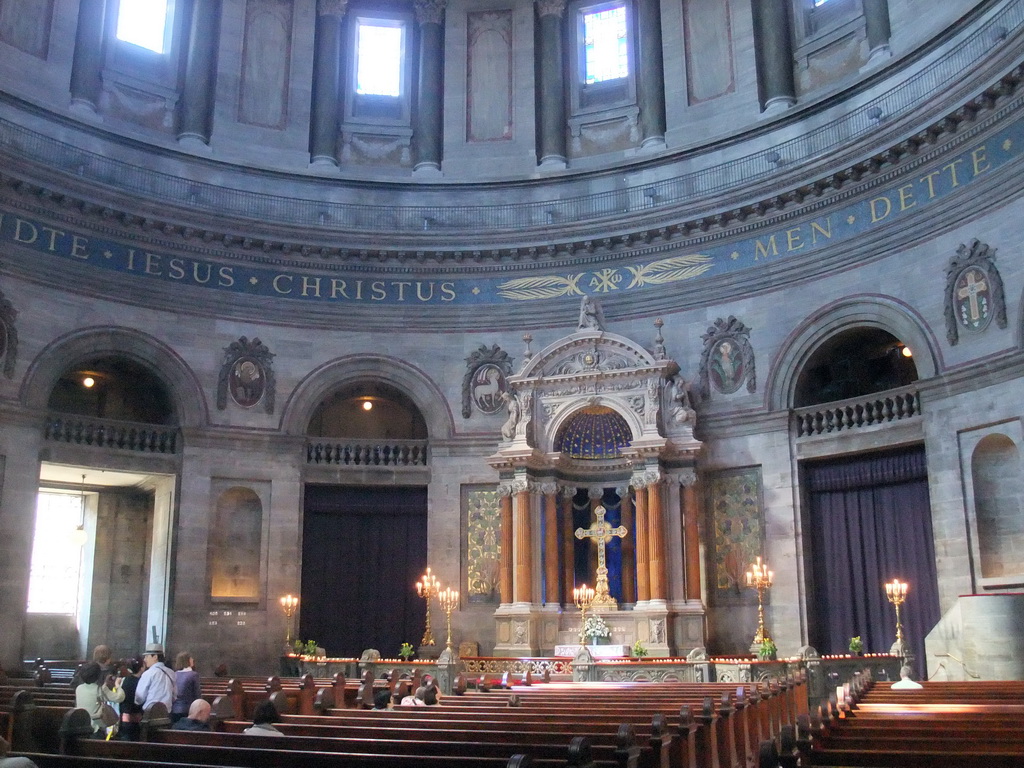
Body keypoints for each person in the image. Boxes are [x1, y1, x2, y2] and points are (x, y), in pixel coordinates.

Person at [74, 661, 125, 736]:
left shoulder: (79, 688)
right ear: (98, 675)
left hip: (82, 726)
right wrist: (117, 685)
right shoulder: (100, 690)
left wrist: (105, 684)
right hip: (95, 728)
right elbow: (120, 697)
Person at [135, 643, 175, 711]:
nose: (145, 659)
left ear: (155, 657)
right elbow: (174, 695)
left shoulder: (148, 673)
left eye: (147, 656)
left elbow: (139, 698)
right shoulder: (171, 673)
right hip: (167, 713)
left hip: (150, 713)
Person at [170, 651, 201, 724]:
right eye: (191, 658)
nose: (193, 660)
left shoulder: (174, 674)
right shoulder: (193, 675)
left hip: (174, 709)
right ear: (188, 660)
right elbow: (197, 694)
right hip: (187, 709)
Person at [118, 658, 144, 741]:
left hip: (124, 715)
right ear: (142, 668)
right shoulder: (142, 681)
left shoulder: (124, 680)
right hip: (137, 716)